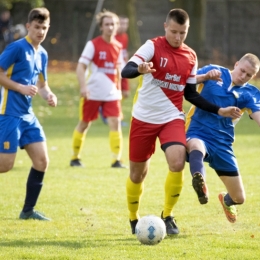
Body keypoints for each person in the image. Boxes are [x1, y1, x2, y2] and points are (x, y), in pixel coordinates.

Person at [121, 8, 241, 235]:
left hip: (172, 117)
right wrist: (140, 68)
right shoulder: (152, 46)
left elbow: (191, 94)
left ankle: (167, 215)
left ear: (187, 31)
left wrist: (220, 110)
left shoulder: (191, 56)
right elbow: (125, 71)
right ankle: (133, 218)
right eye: (174, 31)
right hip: (143, 119)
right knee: (137, 174)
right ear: (165, 26)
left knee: (177, 163)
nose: (177, 37)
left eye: (182, 33)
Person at [186, 53, 260, 223]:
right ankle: (200, 182)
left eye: (249, 75)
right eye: (242, 71)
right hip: (198, 130)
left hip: (223, 143)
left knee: (239, 198)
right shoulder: (214, 71)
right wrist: (204, 77)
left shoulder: (250, 94)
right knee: (197, 146)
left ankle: (226, 200)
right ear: (236, 64)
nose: (243, 76)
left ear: (253, 76)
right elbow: (187, 80)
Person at [0, 7, 57, 220]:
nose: (40, 32)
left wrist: (49, 96)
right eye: (36, 27)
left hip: (27, 116)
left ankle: (28, 211)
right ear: (28, 26)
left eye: (44, 28)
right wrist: (20, 87)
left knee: (42, 161)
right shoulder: (16, 48)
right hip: (8, 114)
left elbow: (42, 85)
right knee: (5, 166)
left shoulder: (42, 53)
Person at [70, 10, 126, 168]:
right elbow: (80, 67)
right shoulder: (93, 45)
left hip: (111, 93)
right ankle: (75, 157)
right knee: (84, 123)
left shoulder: (118, 46)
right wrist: (83, 87)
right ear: (101, 27)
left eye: (113, 24)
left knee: (115, 123)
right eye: (107, 24)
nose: (110, 27)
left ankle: (116, 160)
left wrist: (120, 90)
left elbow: (119, 71)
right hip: (92, 92)